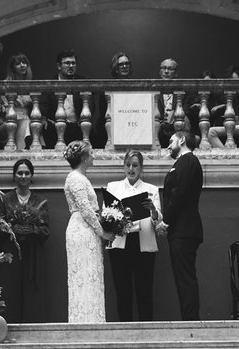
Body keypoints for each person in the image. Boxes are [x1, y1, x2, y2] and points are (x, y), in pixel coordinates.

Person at [105, 150, 162, 322]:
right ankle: (125, 331)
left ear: (141, 168)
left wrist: (152, 209)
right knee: (123, 291)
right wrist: (117, 217)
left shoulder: (151, 189)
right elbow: (106, 215)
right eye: (128, 165)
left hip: (143, 243)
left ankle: (146, 331)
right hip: (120, 244)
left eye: (135, 165)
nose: (131, 169)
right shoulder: (113, 187)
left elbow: (158, 221)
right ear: (123, 166)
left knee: (144, 291)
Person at [63, 141, 115, 323]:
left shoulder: (81, 178)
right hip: (82, 229)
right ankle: (83, 320)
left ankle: (92, 318)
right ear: (84, 158)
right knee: (83, 275)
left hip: (86, 228)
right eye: (91, 153)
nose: (93, 156)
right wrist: (102, 232)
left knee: (91, 274)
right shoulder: (75, 178)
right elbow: (85, 209)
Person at [155, 130, 203, 321]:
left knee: (185, 278)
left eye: (171, 141)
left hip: (184, 230)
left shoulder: (188, 161)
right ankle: (189, 318)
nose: (168, 145)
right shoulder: (183, 163)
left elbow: (179, 194)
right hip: (181, 230)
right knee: (183, 278)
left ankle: (191, 321)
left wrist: (166, 221)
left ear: (182, 139)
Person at [0, 159, 50, 323]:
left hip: (32, 252)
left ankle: (33, 325)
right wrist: (12, 230)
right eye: (20, 173)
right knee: (11, 288)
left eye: (27, 173)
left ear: (31, 175)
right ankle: (10, 324)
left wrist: (33, 230)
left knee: (32, 289)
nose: (23, 176)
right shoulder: (5, 200)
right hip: (11, 251)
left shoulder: (40, 201)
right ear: (14, 175)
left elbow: (46, 229)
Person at [40, 50, 90, 148]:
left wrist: (81, 120)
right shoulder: (50, 83)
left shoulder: (83, 82)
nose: (71, 66)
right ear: (59, 66)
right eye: (67, 63)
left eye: (73, 63)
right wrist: (43, 118)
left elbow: (90, 105)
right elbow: (43, 105)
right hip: (54, 128)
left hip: (77, 127)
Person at [156, 58, 198, 148]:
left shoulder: (183, 91)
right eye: (164, 68)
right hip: (159, 125)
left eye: (170, 69)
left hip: (177, 123)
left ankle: (184, 147)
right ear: (160, 72)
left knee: (184, 118)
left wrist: (173, 118)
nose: (166, 71)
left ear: (176, 73)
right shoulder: (153, 90)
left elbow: (186, 109)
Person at [0, 53, 34, 150]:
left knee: (29, 123)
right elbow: (6, 112)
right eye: (18, 63)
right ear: (13, 68)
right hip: (7, 122)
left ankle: (22, 149)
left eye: (24, 63)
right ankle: (20, 151)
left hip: (27, 121)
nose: (22, 65)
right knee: (25, 122)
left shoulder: (31, 86)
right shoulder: (6, 85)